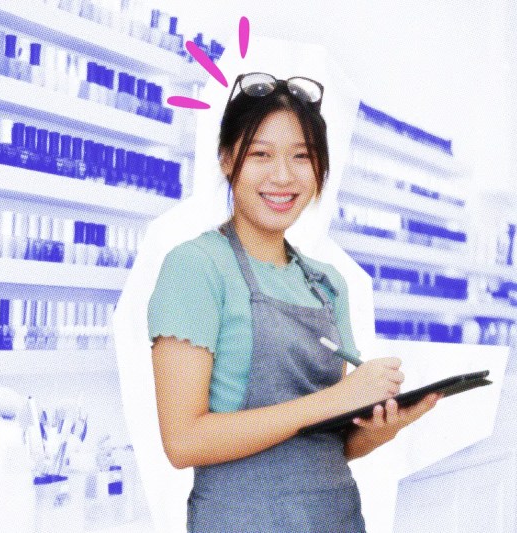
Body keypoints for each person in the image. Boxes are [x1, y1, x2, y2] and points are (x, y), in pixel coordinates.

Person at [147, 72, 441, 532]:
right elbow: (183, 441)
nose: (282, 176)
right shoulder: (197, 267)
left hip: (336, 519)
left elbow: (329, 442)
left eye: (301, 157)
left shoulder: (327, 284)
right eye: (261, 154)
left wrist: (383, 425)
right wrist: (336, 398)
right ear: (227, 159)